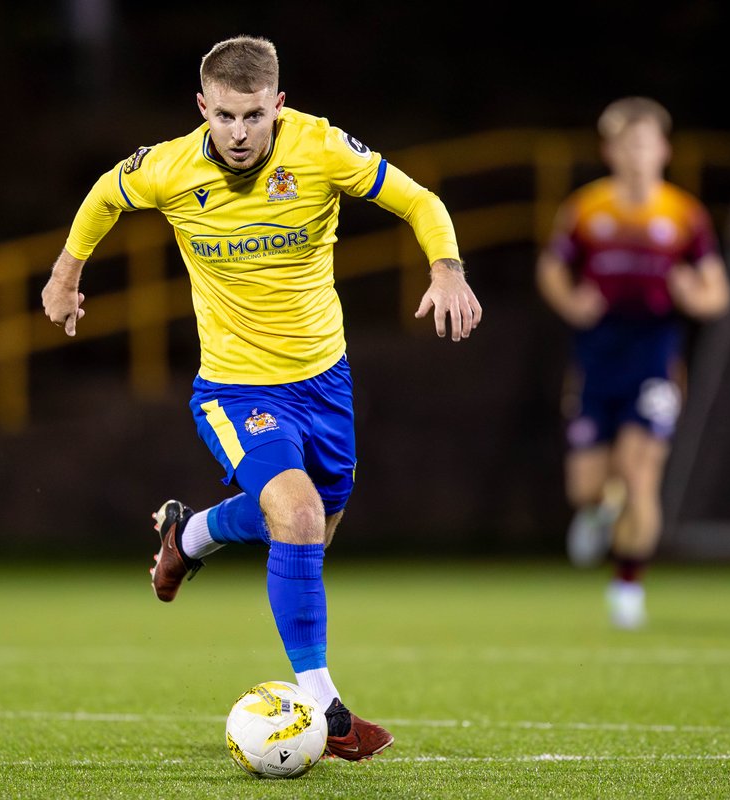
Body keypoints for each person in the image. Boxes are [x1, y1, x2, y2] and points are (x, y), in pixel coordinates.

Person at [41, 35, 481, 759]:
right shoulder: (168, 166)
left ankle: (188, 535)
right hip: (234, 385)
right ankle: (326, 708)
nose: (239, 134)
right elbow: (103, 196)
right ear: (201, 108)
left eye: (253, 116)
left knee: (308, 528)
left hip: (325, 382)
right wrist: (66, 275)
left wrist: (447, 269)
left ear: (278, 105)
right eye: (223, 117)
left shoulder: (320, 149)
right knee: (299, 513)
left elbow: (419, 200)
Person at [535, 97, 730, 629]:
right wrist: (572, 301)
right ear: (610, 151)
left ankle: (627, 586)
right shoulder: (587, 209)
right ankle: (601, 508)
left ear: (663, 149)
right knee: (586, 487)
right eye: (626, 144)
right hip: (596, 363)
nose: (637, 153)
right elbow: (552, 269)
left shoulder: (683, 215)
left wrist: (695, 296)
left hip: (656, 361)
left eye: (645, 142)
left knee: (641, 474)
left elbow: (718, 294)